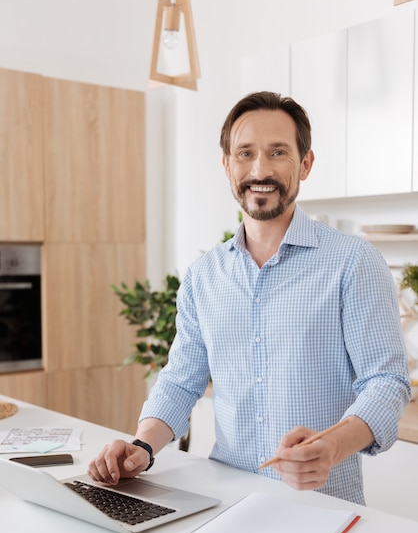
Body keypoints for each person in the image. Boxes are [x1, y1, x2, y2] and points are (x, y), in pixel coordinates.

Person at [89, 91, 410, 504]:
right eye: (245, 153)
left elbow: (387, 383)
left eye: (278, 152)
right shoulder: (203, 276)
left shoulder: (353, 262)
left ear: (306, 163)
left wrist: (332, 447)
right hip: (227, 503)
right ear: (227, 166)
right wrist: (143, 447)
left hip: (324, 505)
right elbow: (181, 379)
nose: (260, 169)